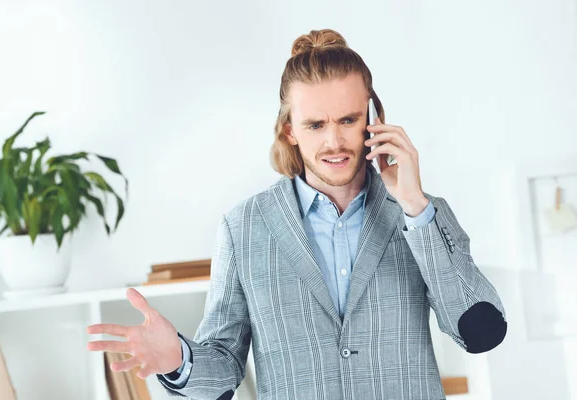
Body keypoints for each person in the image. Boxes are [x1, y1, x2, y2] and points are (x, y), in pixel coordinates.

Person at [87, 28, 507, 400]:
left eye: (348, 120)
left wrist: (414, 206)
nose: (335, 141)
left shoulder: (422, 216)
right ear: (289, 128)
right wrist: (179, 359)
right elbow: (222, 371)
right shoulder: (244, 227)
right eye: (315, 125)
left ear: (373, 120)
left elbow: (482, 332)